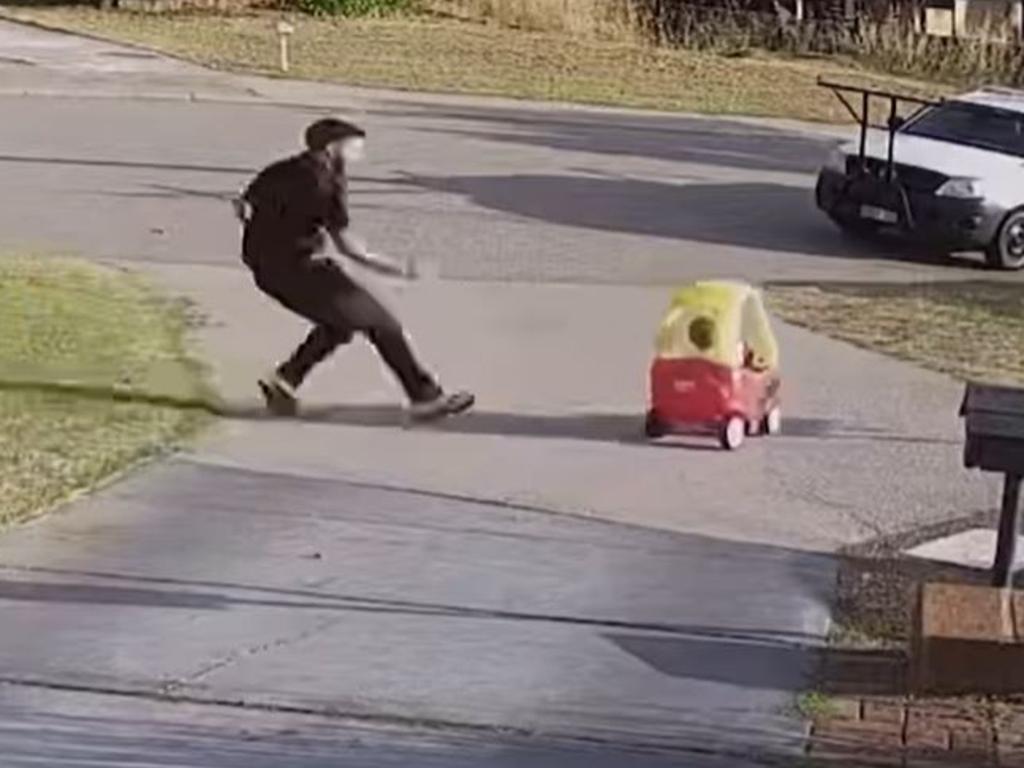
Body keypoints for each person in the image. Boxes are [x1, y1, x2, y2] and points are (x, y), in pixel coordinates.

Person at [232, 117, 474, 421]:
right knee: (382, 324)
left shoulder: (281, 169)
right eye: (355, 144)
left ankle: (285, 380)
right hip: (301, 268)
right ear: (334, 147)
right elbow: (349, 247)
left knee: (341, 324)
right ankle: (425, 399)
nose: (361, 151)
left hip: (266, 269)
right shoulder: (325, 182)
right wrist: (399, 269)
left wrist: (272, 230)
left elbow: (241, 206)